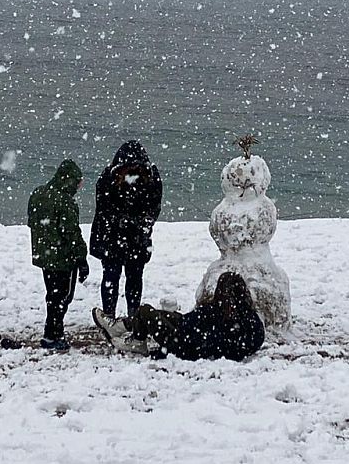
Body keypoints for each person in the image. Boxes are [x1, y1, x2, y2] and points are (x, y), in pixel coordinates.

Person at [95, 272, 265, 361]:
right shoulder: (248, 318)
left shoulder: (218, 312)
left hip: (182, 341)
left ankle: (136, 339)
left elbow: (195, 328)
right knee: (161, 314)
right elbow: (254, 339)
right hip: (191, 334)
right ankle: (122, 327)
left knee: (146, 311)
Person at [89, 140, 162, 322]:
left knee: (126, 277)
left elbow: (153, 208)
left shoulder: (113, 179)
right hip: (117, 238)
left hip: (130, 238)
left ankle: (128, 314)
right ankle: (115, 315)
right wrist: (136, 223)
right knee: (117, 276)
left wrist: (141, 224)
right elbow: (104, 210)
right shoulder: (111, 180)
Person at [27, 159, 90, 351]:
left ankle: (53, 331)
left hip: (44, 254)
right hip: (62, 257)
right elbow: (71, 232)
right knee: (63, 296)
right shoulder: (65, 201)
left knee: (52, 295)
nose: (79, 186)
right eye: (78, 182)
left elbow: (32, 221)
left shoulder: (38, 193)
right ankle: (53, 334)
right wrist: (81, 258)